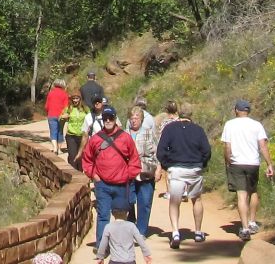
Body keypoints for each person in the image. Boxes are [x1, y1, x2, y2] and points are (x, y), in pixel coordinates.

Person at [81, 105, 141, 247]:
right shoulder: (95, 139)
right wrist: (93, 175)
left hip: (121, 184)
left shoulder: (125, 138)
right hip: (103, 185)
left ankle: (121, 244)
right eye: (105, 118)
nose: (108, 120)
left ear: (115, 119)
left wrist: (128, 175)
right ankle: (101, 245)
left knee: (121, 217)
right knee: (103, 216)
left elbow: (134, 159)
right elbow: (87, 159)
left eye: (111, 118)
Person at [155, 100, 211, 247]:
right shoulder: (198, 130)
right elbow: (206, 151)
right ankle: (198, 232)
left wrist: (167, 165)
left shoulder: (170, 128)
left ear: (179, 113)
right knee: (197, 200)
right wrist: (202, 164)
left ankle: (175, 232)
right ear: (191, 114)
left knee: (175, 201)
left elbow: (160, 151)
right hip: (194, 168)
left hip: (177, 168)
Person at [220, 98, 274, 239]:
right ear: (248, 111)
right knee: (253, 191)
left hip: (236, 163)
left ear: (236, 110)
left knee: (241, 194)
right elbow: (263, 146)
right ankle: (252, 222)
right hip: (253, 163)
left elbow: (227, 146)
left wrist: (227, 161)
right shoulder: (257, 125)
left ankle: (244, 229)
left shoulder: (230, 124)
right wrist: (269, 164)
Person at [126, 104, 158, 237]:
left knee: (145, 201)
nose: (134, 120)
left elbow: (157, 152)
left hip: (146, 171)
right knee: (128, 200)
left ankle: (141, 231)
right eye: (132, 118)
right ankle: (130, 223)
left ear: (142, 119)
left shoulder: (149, 133)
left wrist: (158, 169)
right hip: (128, 172)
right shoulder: (124, 134)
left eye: (137, 118)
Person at [95, 200, 152, 264]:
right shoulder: (131, 226)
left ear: (112, 213)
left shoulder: (108, 227)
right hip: (130, 261)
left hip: (114, 261)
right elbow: (140, 241)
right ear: (127, 213)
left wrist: (100, 257)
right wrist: (146, 253)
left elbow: (103, 244)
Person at [45, 78, 71, 153]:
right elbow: (66, 107)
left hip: (51, 114)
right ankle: (59, 149)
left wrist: (48, 111)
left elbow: (46, 106)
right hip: (61, 116)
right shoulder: (64, 94)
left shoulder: (50, 93)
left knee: (53, 132)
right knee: (60, 131)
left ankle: (55, 148)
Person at [64, 93, 90, 166]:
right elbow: (60, 117)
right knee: (72, 156)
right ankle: (72, 172)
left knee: (81, 156)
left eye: (77, 98)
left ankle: (80, 173)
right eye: (73, 98)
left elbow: (91, 118)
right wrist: (64, 116)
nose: (75, 100)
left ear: (80, 99)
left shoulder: (85, 108)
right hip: (71, 135)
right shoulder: (69, 108)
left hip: (82, 136)